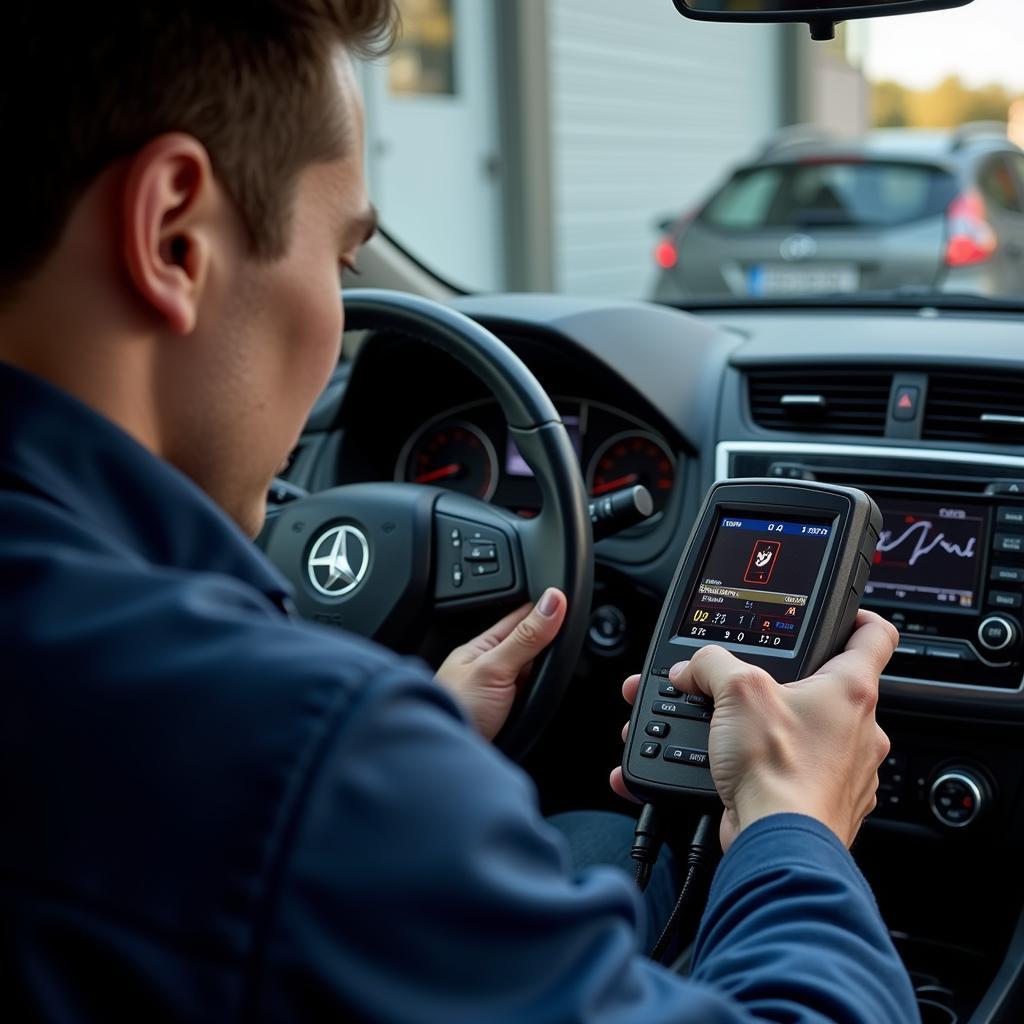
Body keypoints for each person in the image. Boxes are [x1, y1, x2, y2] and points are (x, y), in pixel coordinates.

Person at [0, 3, 918, 1021]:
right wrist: (794, 823)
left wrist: (418, 742)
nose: (338, 314)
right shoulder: (309, 762)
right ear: (174, 234)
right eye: (343, 262)